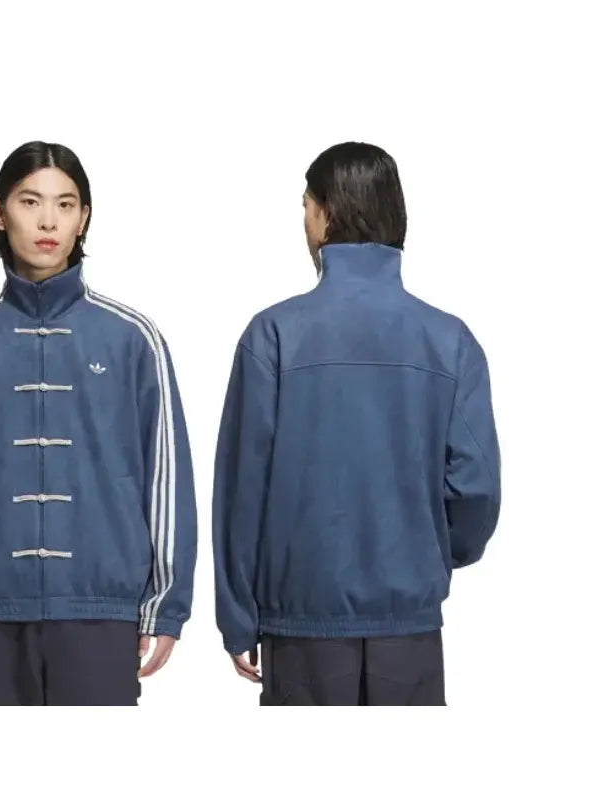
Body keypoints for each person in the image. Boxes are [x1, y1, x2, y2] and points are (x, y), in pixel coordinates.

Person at [0, 141, 197, 705]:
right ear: (0, 212)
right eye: (30, 202)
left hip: (102, 614)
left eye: (65, 205)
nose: (48, 221)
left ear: (83, 217)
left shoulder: (133, 338)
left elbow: (166, 480)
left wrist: (166, 605)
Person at [212, 142, 500, 705]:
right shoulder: (450, 340)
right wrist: (427, 552)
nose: (304, 220)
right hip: (410, 626)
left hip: (300, 624)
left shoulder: (273, 335)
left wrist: (239, 615)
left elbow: (243, 491)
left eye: (305, 206)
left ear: (328, 214)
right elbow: (476, 488)